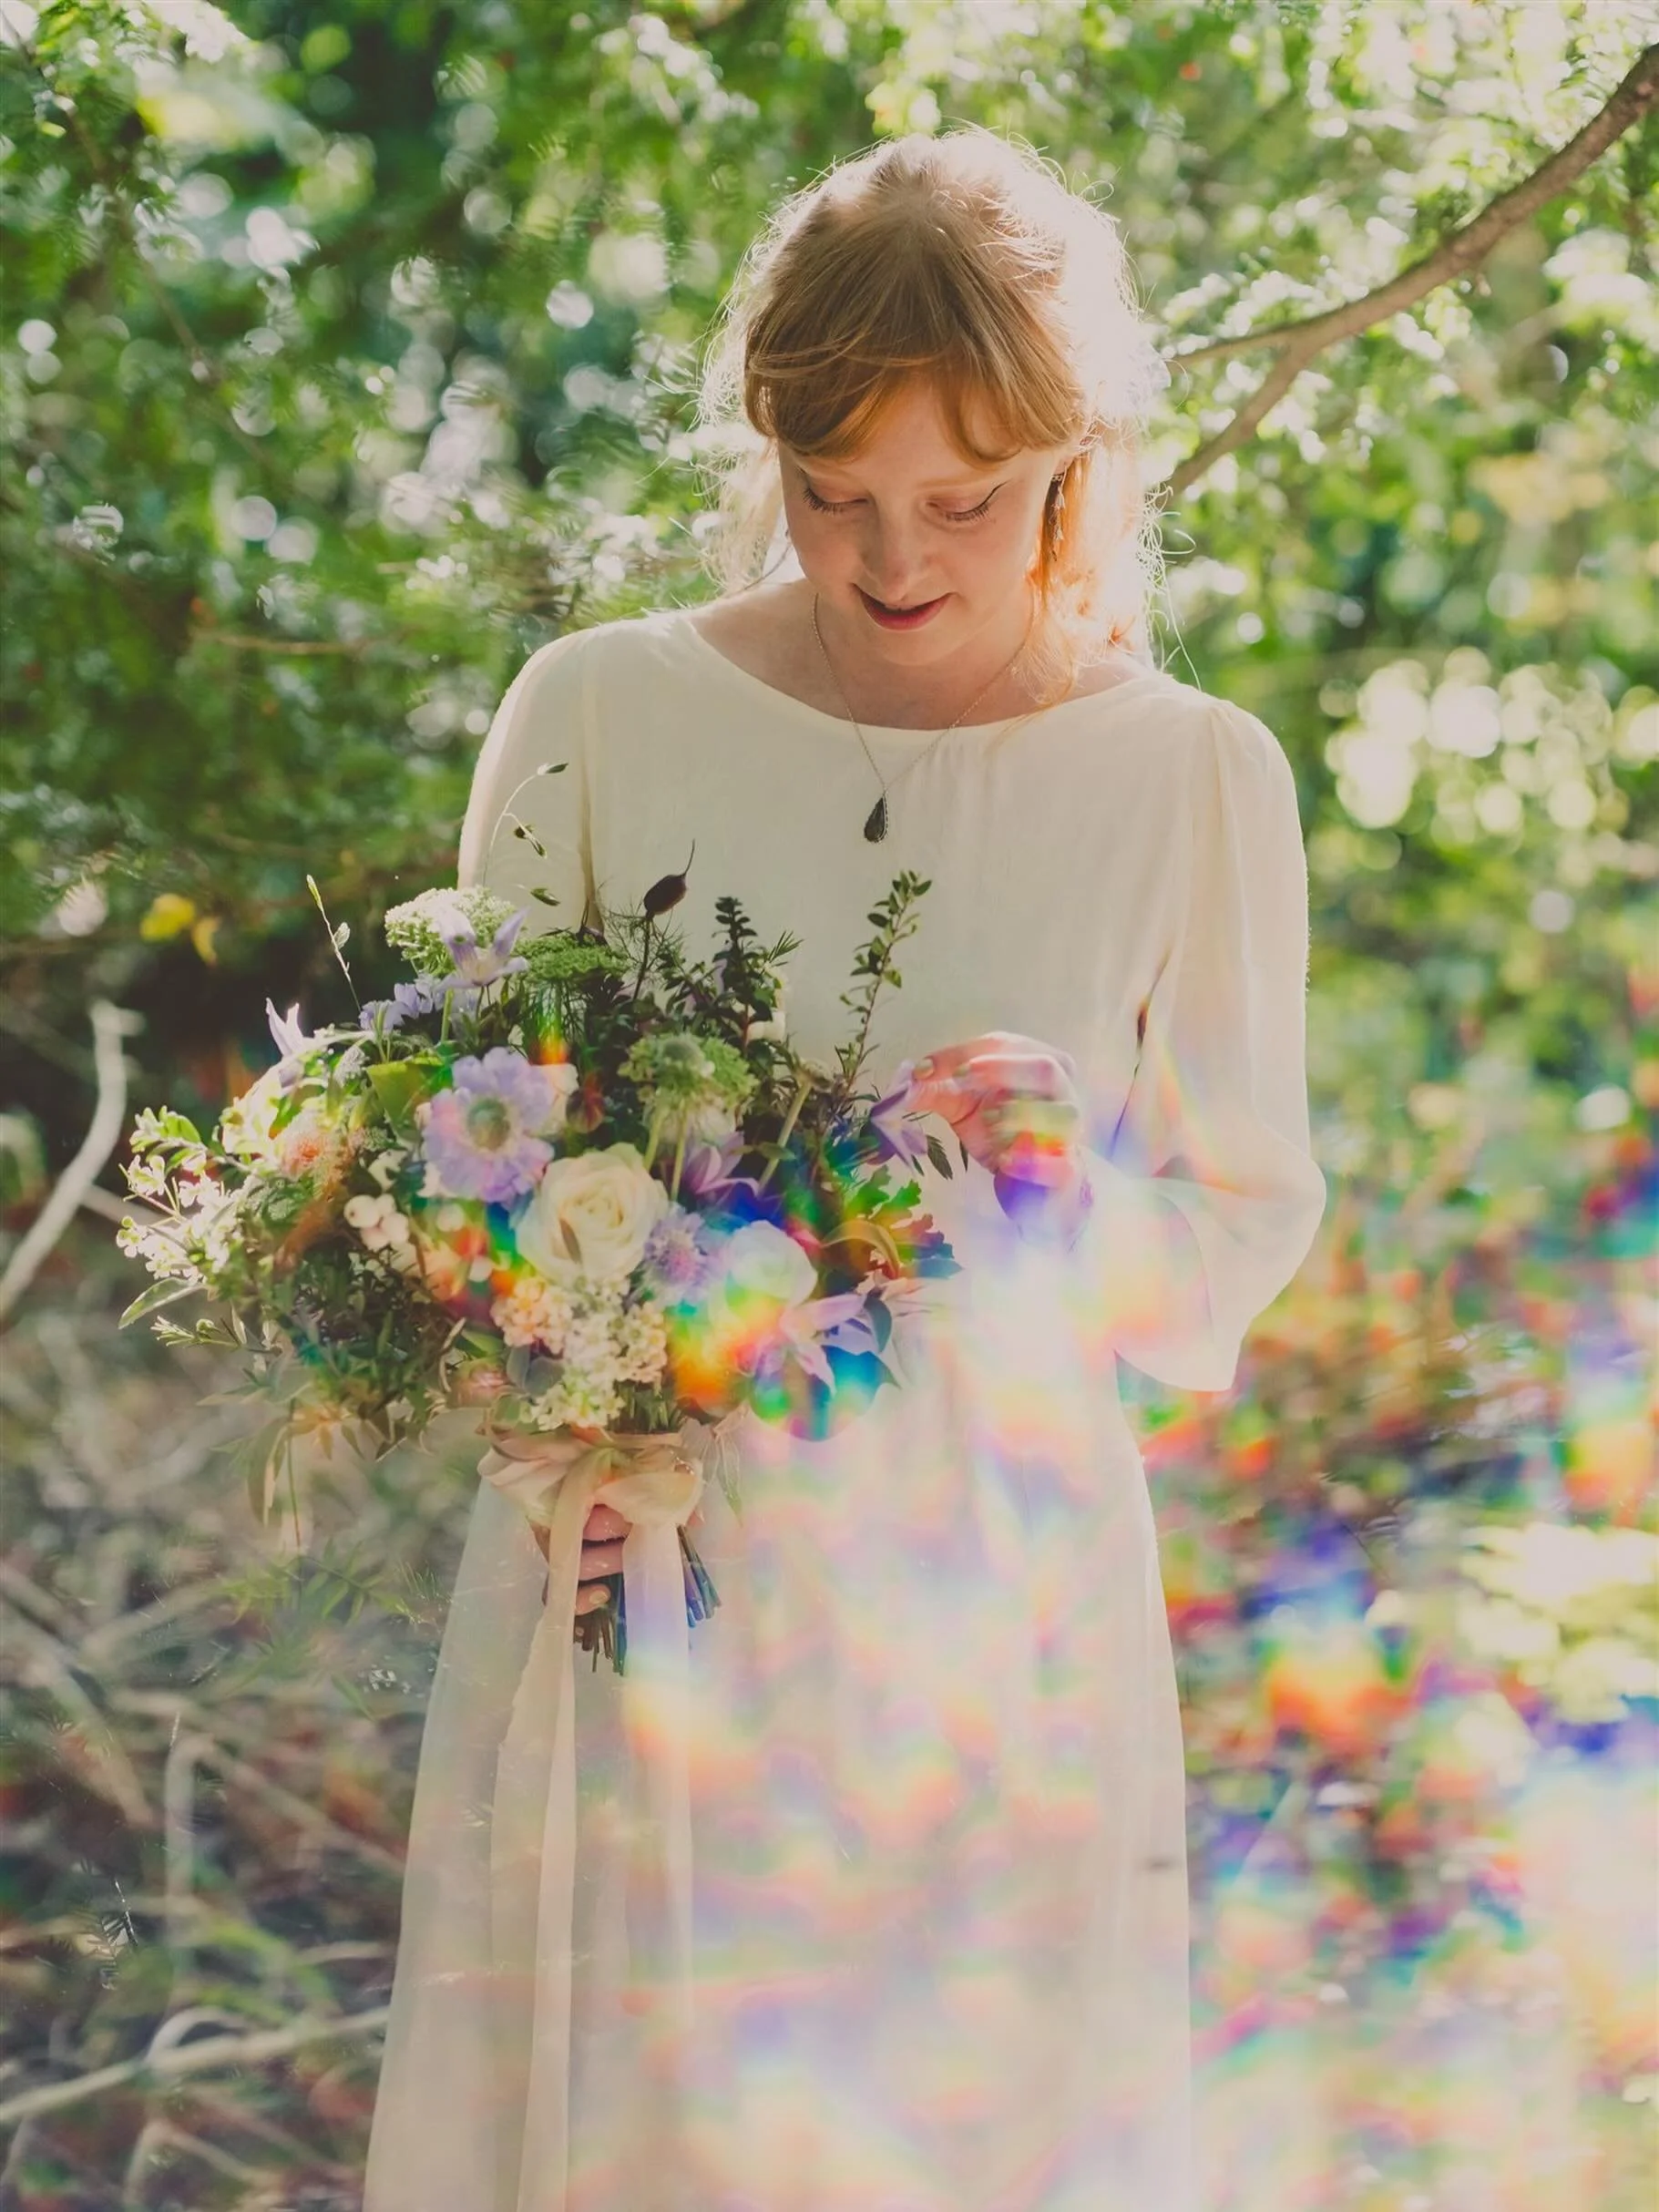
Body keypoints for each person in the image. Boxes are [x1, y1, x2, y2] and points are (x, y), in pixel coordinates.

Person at [364, 127, 1328, 2212]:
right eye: (835, 497)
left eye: (960, 503)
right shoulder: (601, 710)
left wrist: (1074, 1191)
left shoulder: (1187, 772)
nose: (893, 560)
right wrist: (561, 1462)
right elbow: (461, 1169)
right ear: (770, 455)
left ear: (1071, 468)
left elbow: (1228, 1245)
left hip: (993, 1597)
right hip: (650, 1564)